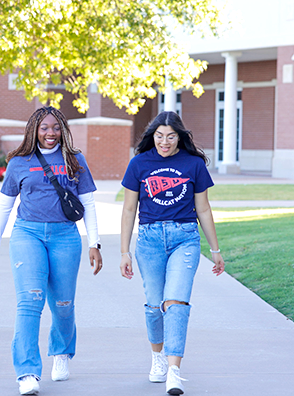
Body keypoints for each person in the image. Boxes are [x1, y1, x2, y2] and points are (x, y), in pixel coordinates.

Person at [0, 106, 103, 395]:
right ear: (34, 130)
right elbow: (4, 204)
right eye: (44, 128)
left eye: (55, 127)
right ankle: (27, 373)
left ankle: (61, 352)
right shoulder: (20, 162)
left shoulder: (75, 160)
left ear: (62, 129)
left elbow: (87, 203)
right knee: (29, 302)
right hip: (28, 234)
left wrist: (94, 243)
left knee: (63, 304)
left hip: (65, 236)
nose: (50, 133)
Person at [119, 111, 225, 395]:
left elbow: (203, 208)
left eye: (171, 136)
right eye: (159, 136)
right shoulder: (139, 164)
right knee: (155, 306)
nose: (164, 142)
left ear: (180, 137)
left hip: (185, 238)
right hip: (149, 240)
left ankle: (174, 371)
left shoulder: (193, 165)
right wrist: (124, 251)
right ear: (152, 137)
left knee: (176, 304)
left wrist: (215, 250)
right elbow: (129, 209)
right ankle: (157, 357)